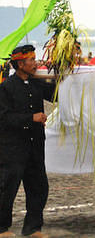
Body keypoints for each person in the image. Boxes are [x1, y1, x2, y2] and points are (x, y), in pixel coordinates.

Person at [0, 45, 56, 238]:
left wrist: (67, 72)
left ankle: (32, 228)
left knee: (39, 187)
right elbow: (3, 118)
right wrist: (30, 118)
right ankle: (1, 228)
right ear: (20, 64)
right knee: (7, 189)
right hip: (13, 148)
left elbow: (57, 94)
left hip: (35, 146)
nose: (35, 62)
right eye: (31, 60)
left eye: (35, 58)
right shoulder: (6, 87)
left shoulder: (37, 84)